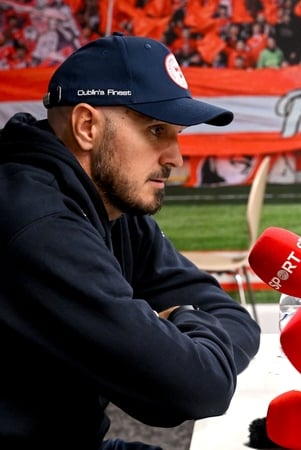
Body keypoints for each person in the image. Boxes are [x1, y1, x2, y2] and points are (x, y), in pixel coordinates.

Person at [0, 33, 261, 449]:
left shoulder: (110, 202)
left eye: (176, 134)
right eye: (156, 130)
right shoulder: (37, 223)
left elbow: (236, 318)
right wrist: (184, 331)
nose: (175, 157)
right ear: (87, 126)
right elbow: (192, 389)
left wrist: (179, 321)